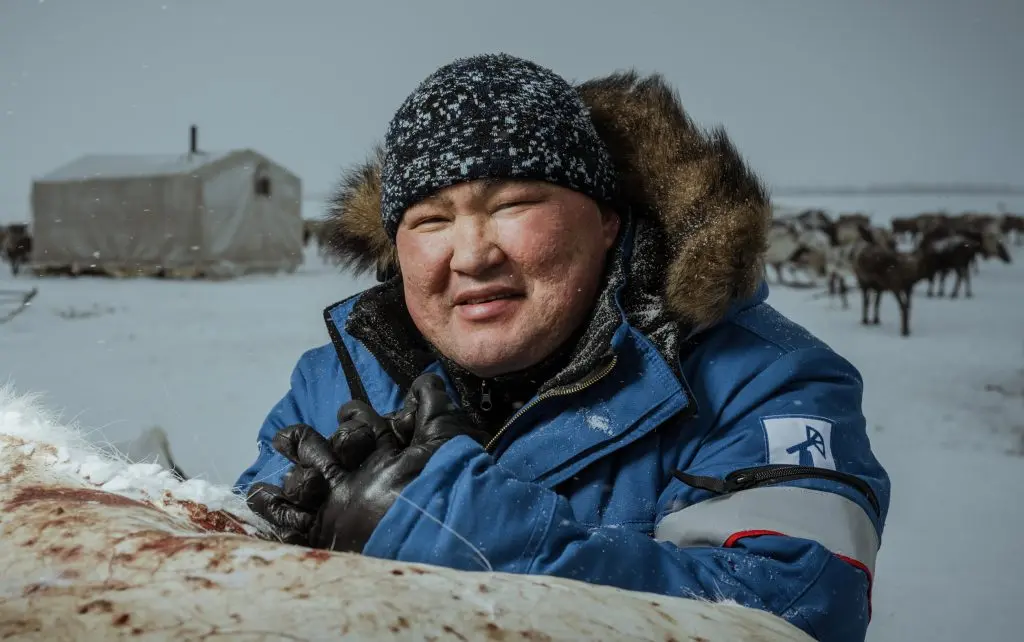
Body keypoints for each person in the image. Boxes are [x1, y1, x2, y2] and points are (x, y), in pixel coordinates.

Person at [235, 53, 890, 642]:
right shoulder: (337, 380)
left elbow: (795, 612)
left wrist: (455, 530)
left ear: (606, 220)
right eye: (431, 220)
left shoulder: (764, 381)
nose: (472, 254)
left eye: (514, 204)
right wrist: (267, 533)